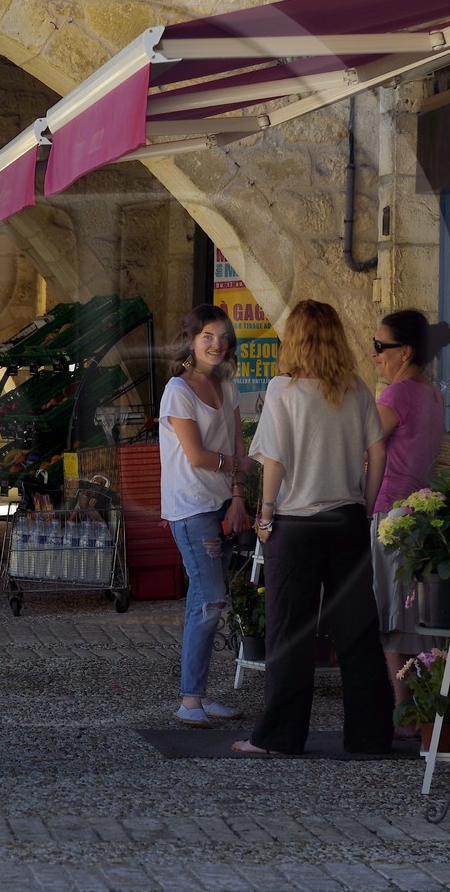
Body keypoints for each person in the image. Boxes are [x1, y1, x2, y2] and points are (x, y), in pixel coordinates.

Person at [233, 300, 393, 755]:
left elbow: (275, 461)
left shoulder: (283, 390)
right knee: (358, 631)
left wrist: (264, 514)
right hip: (345, 520)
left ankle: (281, 738)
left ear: (295, 339)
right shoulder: (357, 389)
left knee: (290, 630)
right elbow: (377, 452)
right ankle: (369, 737)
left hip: (296, 525)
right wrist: (364, 504)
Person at [159, 304, 250, 725]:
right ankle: (189, 701)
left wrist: (237, 495)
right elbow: (196, 456)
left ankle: (196, 693)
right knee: (211, 599)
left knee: (206, 599)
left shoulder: (227, 387)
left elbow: (239, 449)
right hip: (191, 506)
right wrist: (232, 465)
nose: (217, 344)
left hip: (219, 503)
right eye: (207, 336)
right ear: (192, 341)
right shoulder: (178, 389)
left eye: (222, 336)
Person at [368, 309, 450, 733]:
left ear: (407, 352)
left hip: (391, 511)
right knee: (410, 610)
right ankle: (418, 707)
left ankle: (406, 710)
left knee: (391, 613)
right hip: (419, 513)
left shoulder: (395, 396)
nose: (375, 355)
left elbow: (363, 446)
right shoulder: (433, 393)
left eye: (382, 347)